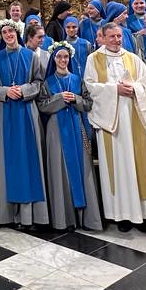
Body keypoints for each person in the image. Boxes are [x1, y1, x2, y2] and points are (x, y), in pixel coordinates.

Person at [85, 22, 146, 232]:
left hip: (133, 117)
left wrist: (134, 88)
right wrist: (114, 89)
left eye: (119, 36)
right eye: (112, 37)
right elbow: (90, 86)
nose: (117, 40)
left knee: (139, 164)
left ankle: (145, 215)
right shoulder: (94, 59)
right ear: (102, 37)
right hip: (111, 122)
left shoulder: (133, 58)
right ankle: (122, 216)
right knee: (117, 166)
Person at [0, 19, 48, 230]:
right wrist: (5, 91)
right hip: (6, 113)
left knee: (29, 159)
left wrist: (22, 90)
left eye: (11, 31)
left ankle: (31, 216)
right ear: (1, 35)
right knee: (7, 159)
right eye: (4, 32)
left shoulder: (31, 56)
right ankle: (7, 215)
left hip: (26, 110)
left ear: (17, 32)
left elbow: (39, 83)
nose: (8, 35)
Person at [39, 41, 103, 231]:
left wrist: (75, 99)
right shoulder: (48, 82)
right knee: (60, 170)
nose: (62, 60)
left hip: (77, 127)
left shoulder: (77, 79)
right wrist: (60, 98)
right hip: (56, 130)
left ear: (70, 58)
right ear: (53, 59)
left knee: (83, 169)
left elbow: (88, 103)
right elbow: (42, 105)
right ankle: (63, 219)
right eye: (59, 57)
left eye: (65, 56)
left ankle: (86, 218)